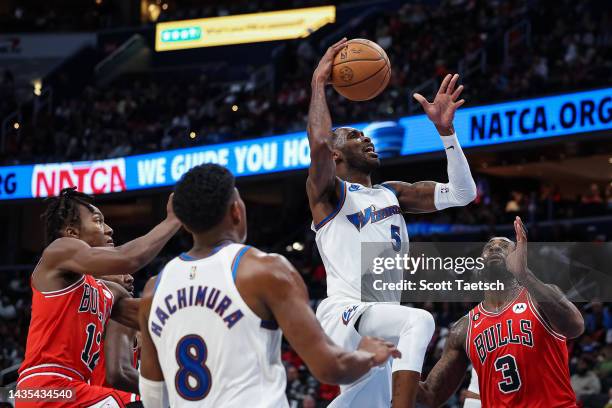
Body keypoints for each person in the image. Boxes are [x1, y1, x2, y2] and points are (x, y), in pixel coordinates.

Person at [138, 164, 401, 408]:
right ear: (236, 211)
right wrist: (368, 355)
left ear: (183, 223)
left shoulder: (152, 290)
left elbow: (153, 396)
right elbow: (329, 367)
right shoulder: (265, 270)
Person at [306, 38, 476, 407]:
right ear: (335, 155)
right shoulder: (328, 194)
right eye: (354, 135)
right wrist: (319, 83)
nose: (365, 137)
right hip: (346, 311)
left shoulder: (393, 193)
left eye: (365, 134)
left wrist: (447, 134)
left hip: (381, 323)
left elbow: (463, 194)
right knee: (421, 322)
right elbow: (318, 143)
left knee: (366, 401)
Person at [16, 187, 180, 407]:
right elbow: (129, 257)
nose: (109, 229)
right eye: (98, 221)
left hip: (74, 390)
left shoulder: (109, 291)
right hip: (46, 386)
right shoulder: (59, 251)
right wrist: (174, 220)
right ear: (72, 232)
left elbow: (152, 316)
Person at [418, 217, 584, 407]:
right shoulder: (463, 328)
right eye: (489, 247)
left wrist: (524, 275)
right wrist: (393, 367)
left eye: (505, 246)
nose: (495, 248)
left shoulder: (540, 298)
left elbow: (575, 327)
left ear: (519, 256)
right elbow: (431, 395)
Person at [90, 274, 140, 394]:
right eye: (120, 271)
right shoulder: (118, 315)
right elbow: (118, 374)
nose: (129, 278)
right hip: (109, 398)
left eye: (129, 272)